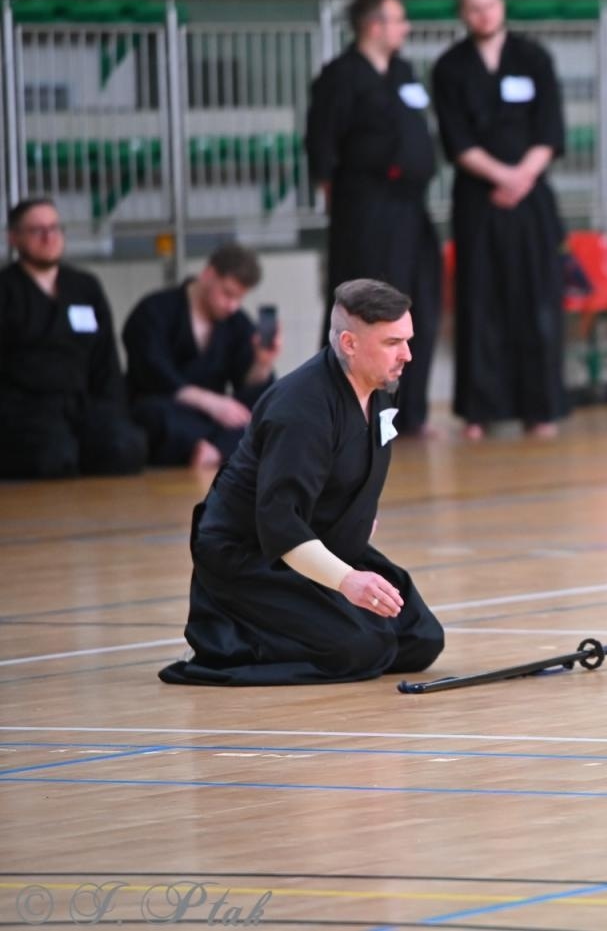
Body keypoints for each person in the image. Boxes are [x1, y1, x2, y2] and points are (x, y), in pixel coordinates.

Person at [157, 279, 445, 686]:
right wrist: (348, 581)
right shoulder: (301, 410)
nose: (407, 355)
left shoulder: (382, 387)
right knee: (362, 648)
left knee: (420, 639)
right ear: (349, 343)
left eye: (408, 340)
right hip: (251, 554)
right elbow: (279, 522)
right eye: (393, 342)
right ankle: (231, 640)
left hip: (324, 540)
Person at [431, 0, 569, 439]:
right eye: (474, 8)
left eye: (490, 5)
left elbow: (550, 129)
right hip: (478, 197)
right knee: (480, 301)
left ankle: (541, 407)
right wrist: (500, 176)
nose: (484, 15)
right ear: (462, 14)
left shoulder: (533, 58)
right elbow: (457, 141)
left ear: (502, 5)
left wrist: (522, 175)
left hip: (532, 198)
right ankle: (480, 411)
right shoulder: (450, 67)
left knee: (537, 300)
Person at [306, 0, 441, 436]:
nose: (405, 28)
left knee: (413, 304)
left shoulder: (403, 72)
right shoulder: (340, 76)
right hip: (365, 210)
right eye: (398, 19)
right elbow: (323, 150)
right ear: (374, 24)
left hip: (410, 209)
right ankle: (352, 413)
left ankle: (409, 413)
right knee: (366, 309)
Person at [0, 197, 145, 479]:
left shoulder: (84, 286)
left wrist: (112, 412)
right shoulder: (5, 290)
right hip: (25, 410)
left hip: (81, 404)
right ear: (14, 238)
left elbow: (106, 359)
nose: (48, 237)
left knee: (126, 447)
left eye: (54, 228)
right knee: (52, 458)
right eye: (36, 230)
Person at [122, 242, 282, 470]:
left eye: (239, 298)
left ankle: (213, 449)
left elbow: (250, 393)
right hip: (167, 410)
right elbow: (152, 372)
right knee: (154, 416)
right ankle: (223, 447)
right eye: (227, 294)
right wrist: (211, 403)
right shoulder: (154, 310)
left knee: (271, 410)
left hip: (215, 420)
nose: (232, 306)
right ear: (208, 275)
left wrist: (262, 364)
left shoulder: (236, 323)